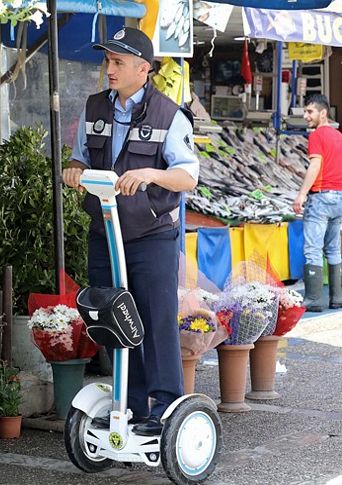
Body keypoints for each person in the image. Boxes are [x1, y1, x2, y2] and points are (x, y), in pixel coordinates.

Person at [62, 27, 199, 436]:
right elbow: (80, 158)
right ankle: (132, 405)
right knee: (111, 318)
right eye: (108, 60)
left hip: (150, 235)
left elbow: (187, 177)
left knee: (156, 322)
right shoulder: (94, 108)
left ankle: (167, 406)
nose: (109, 69)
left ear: (144, 68)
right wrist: (75, 172)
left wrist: (150, 173)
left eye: (118, 62)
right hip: (104, 231)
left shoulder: (169, 114)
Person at [292, 95, 342, 312]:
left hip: (321, 198)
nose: (305, 116)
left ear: (323, 113)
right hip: (339, 197)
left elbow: (315, 166)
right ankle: (337, 297)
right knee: (333, 249)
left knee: (313, 249)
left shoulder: (317, 135)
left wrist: (301, 194)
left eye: (310, 111)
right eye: (305, 111)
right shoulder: (339, 136)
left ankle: (313, 298)